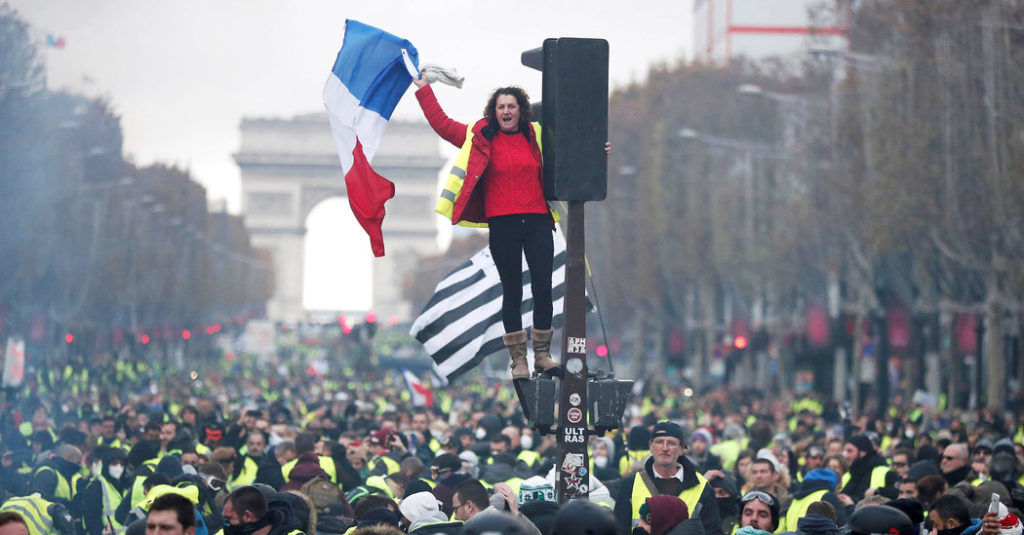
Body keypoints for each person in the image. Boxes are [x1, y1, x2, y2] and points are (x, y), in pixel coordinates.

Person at [413, 75, 574, 380]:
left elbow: (570, 150)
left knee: (543, 288)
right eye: (501, 106)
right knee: (512, 291)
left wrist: (600, 150)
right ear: (493, 111)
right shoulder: (480, 136)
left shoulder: (537, 134)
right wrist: (424, 90)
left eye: (511, 105)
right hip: (504, 223)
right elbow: (443, 124)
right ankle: (518, 360)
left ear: (521, 109)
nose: (506, 111)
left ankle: (542, 355)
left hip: (538, 219)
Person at [613, 421, 722, 535]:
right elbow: (619, 530)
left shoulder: (702, 487)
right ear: (650, 446)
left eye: (671, 443)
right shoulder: (631, 484)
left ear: (682, 449)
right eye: (659, 442)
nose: (665, 448)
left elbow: (713, 531)